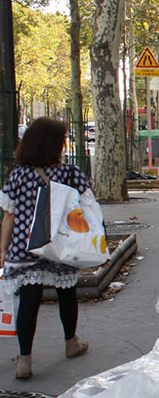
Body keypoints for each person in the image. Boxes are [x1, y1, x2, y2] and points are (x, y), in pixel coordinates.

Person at [0, 117, 90, 379]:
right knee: (66, 293)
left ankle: (24, 360)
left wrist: (4, 250)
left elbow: (9, 216)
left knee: (28, 301)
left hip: (26, 246)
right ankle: (71, 343)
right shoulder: (70, 173)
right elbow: (86, 205)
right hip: (62, 244)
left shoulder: (18, 175)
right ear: (56, 145)